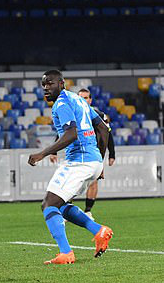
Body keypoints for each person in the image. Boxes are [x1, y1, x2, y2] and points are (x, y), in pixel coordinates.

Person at [27, 70, 113, 265]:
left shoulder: (62, 103)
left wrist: (43, 153)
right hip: (91, 161)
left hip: (79, 161)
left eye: (50, 84)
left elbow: (71, 133)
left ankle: (66, 253)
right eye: (44, 85)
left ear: (62, 83)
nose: (46, 89)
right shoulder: (79, 100)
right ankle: (98, 231)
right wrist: (100, 160)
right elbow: (103, 128)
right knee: (61, 205)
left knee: (48, 204)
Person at [50, 88, 115, 219]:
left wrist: (111, 154)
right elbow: (63, 132)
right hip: (76, 153)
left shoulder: (98, 114)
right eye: (80, 97)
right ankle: (68, 211)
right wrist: (54, 151)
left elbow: (107, 132)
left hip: (92, 154)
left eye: (85, 98)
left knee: (93, 182)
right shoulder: (73, 112)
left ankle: (87, 211)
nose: (83, 99)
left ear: (90, 100)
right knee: (72, 183)